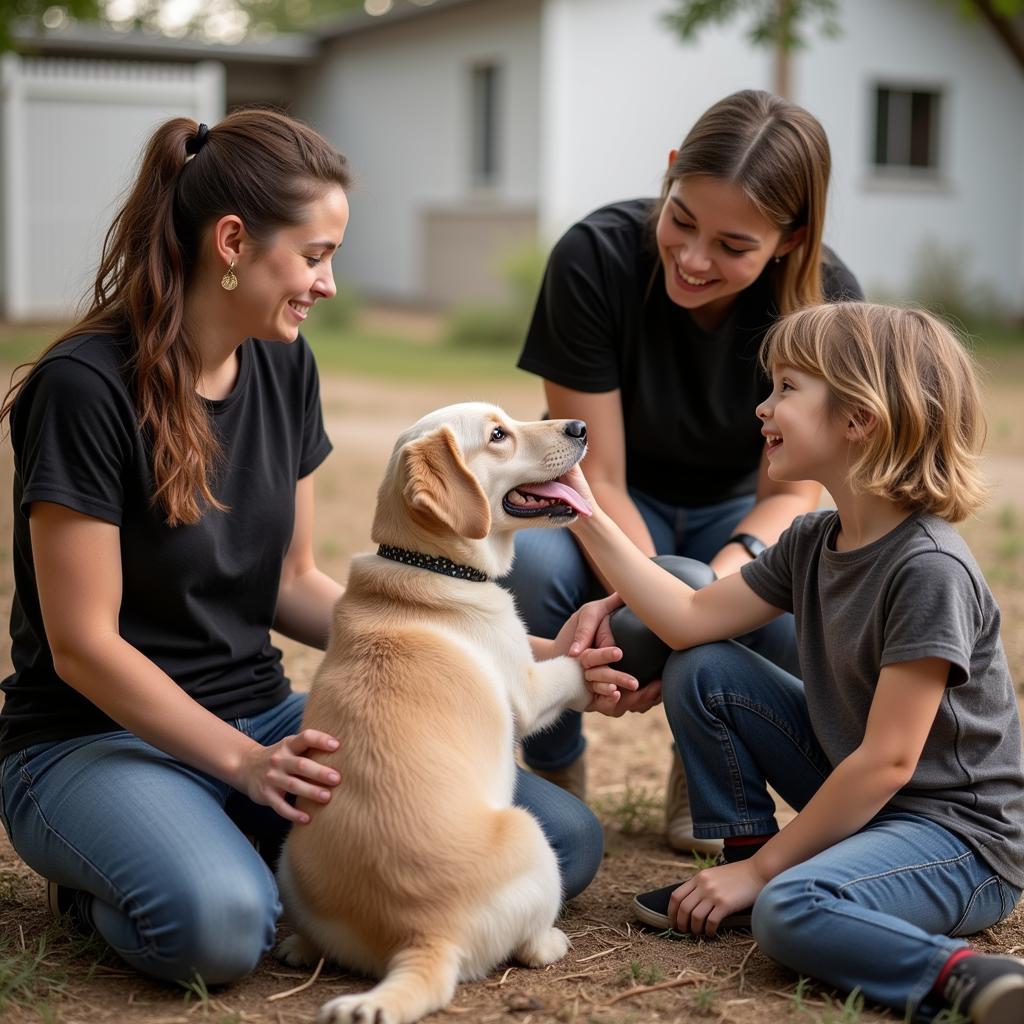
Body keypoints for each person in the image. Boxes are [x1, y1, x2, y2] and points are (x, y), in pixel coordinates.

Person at [0, 110, 604, 987]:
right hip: (95, 739)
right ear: (234, 241)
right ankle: (137, 862)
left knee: (562, 844)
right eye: (316, 255)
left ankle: (230, 839)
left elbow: (294, 582)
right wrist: (243, 766)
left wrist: (516, 656)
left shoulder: (285, 366)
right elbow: (84, 648)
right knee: (219, 928)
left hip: (266, 719)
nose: (328, 284)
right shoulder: (83, 390)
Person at [563, 302, 1024, 1023]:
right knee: (704, 666)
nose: (762, 406)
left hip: (958, 841)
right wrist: (581, 509)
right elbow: (688, 617)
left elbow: (888, 764)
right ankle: (745, 855)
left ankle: (966, 978)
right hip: (872, 812)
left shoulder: (928, 568)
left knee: (794, 906)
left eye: (786, 388)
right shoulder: (814, 539)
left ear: (858, 419)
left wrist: (766, 875)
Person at [504, 90, 863, 852]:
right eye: (682, 221)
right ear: (669, 176)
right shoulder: (593, 257)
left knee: (783, 598)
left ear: (791, 238)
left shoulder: (828, 305)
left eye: (733, 246)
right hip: (607, 498)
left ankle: (704, 763)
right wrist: (654, 582)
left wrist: (729, 578)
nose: (695, 259)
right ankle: (553, 756)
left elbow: (795, 491)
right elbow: (592, 476)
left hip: (741, 515)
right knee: (528, 564)